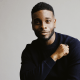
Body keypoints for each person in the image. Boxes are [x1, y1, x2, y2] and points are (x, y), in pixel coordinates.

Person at [20, 2, 80, 80]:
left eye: (47, 21)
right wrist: (54, 57)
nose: (43, 26)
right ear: (32, 25)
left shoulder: (73, 45)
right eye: (37, 22)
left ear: (54, 23)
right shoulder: (29, 51)